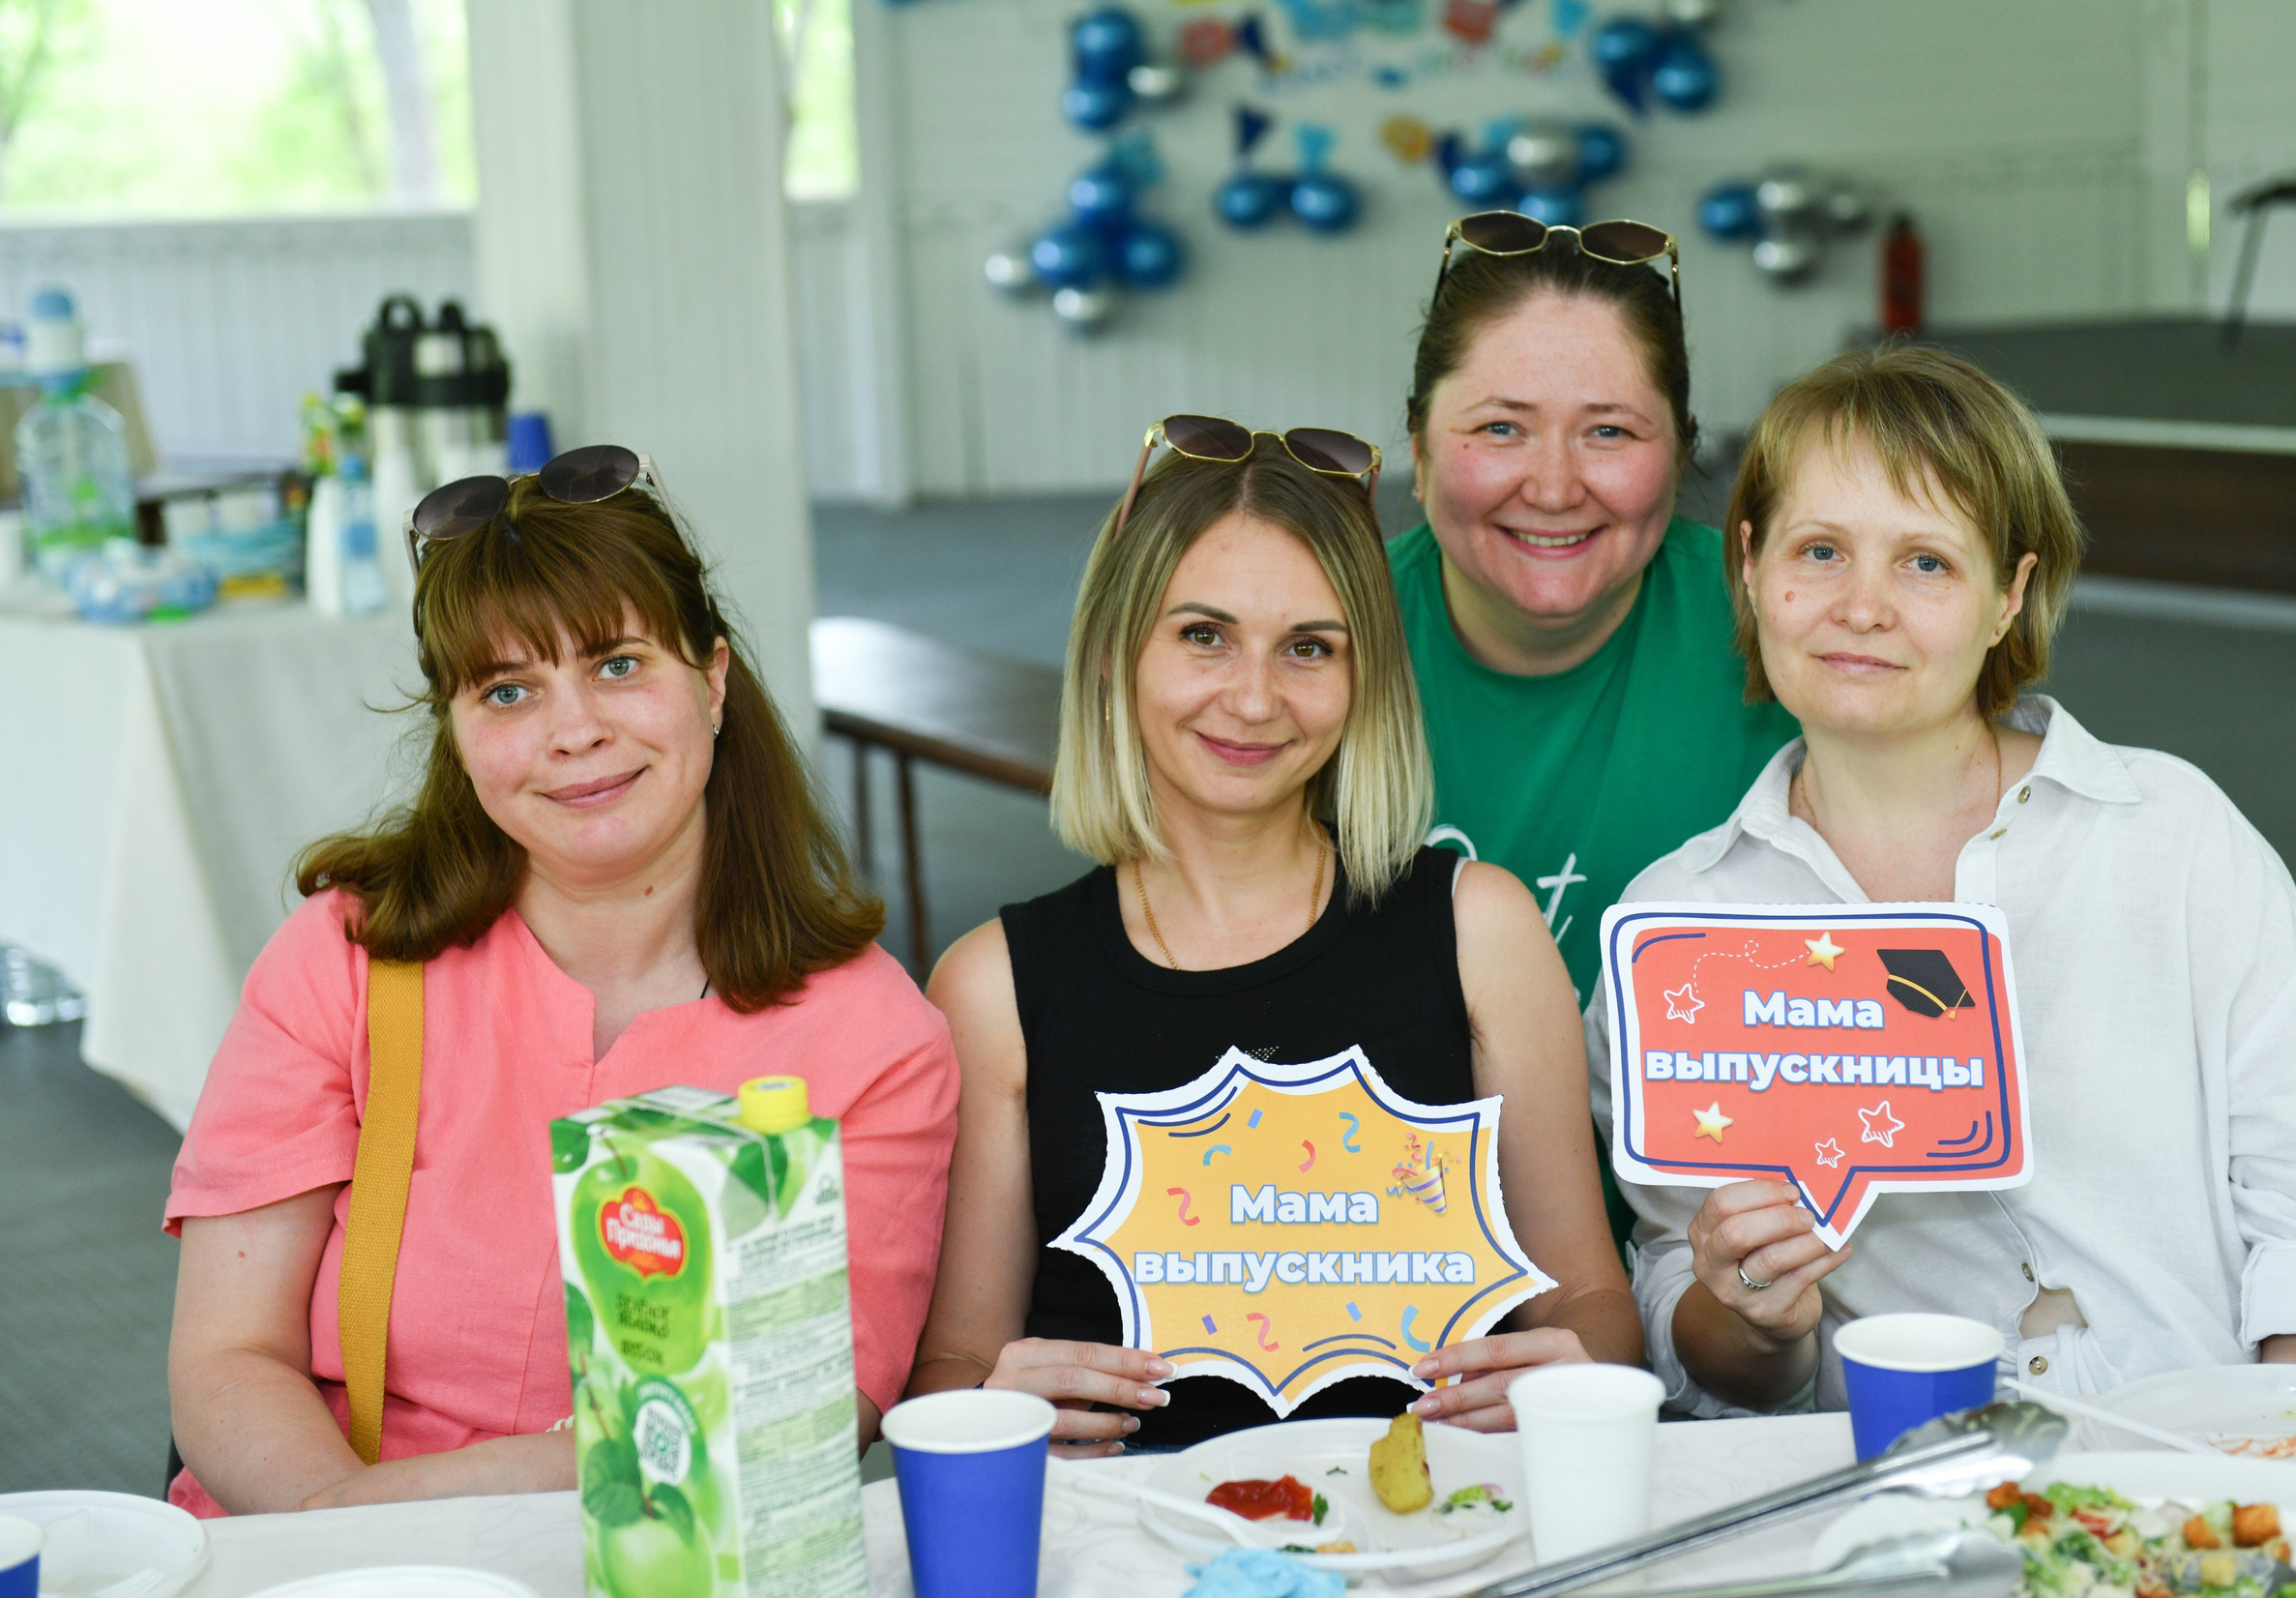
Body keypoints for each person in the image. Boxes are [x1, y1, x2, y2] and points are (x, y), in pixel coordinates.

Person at [1388, 212, 2296, 1235]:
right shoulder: (1309, 658)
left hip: (1719, 1255)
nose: (1553, 483)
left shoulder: (1811, 644)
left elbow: (2021, 850)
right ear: (1417, 445)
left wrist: (2224, 988)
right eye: (1498, 426)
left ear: (1681, 455)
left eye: (1610, 430)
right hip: (1394, 1246)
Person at [1583, 347, 2296, 1414]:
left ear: (2008, 595)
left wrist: (2272, 1473)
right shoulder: (1677, 931)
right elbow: (1692, 1327)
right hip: (1893, 1495)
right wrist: (1748, 1314)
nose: (1862, 606)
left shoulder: (2172, 833)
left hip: (2214, 1472)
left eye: (1926, 562)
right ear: (1747, 566)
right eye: (1819, 550)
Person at [163, 452, 959, 1515]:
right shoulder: (347, 959)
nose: (573, 729)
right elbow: (227, 1357)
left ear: (713, 679)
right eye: (507, 690)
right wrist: (347, 1548)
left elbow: (802, 1408)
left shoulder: (875, 1036)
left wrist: (394, 1513)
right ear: (455, 727)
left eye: (619, 665)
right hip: (308, 1552)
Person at [908, 418, 1640, 1454]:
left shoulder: (1480, 929)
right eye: (1202, 635)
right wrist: (996, 1402)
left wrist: (1573, 1369)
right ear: (1117, 651)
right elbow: (952, 1364)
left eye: (1308, 648)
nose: (1253, 700)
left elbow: (1591, 1304)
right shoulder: (994, 985)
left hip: (1435, 1530)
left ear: (1363, 678)